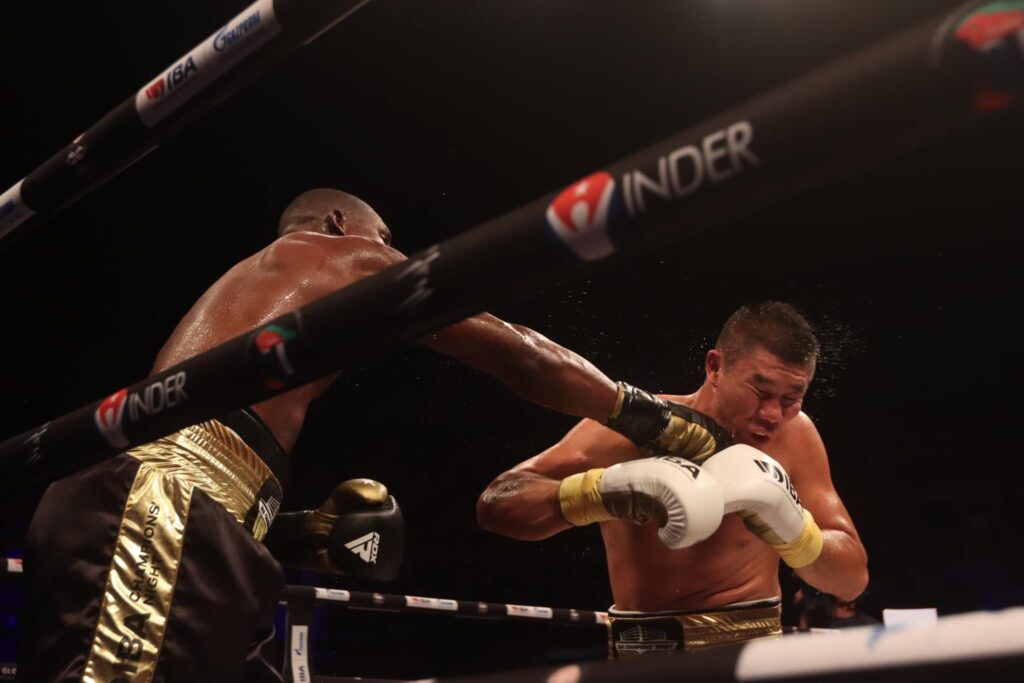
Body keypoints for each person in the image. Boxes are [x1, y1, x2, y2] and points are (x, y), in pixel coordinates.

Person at [18, 189, 719, 682]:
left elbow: (209, 457)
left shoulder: (255, 300)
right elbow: (516, 350)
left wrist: (298, 530)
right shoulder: (338, 253)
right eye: (385, 240)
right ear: (337, 221)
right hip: (156, 510)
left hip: (170, 513)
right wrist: (649, 414)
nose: (390, 254)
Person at [477, 301, 869, 654]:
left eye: (791, 398)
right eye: (760, 390)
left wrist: (793, 526)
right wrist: (602, 492)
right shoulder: (631, 431)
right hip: (640, 658)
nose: (772, 414)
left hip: (751, 655)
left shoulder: (796, 435)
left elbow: (851, 580)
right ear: (714, 366)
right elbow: (498, 504)